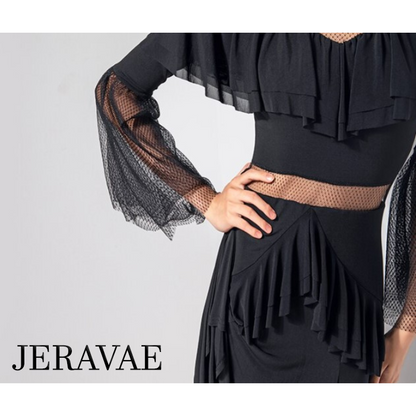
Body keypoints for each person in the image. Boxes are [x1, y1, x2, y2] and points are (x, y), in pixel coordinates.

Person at [94, 33, 416, 383]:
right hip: (255, 297)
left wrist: (406, 329)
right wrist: (205, 199)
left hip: (352, 307)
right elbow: (117, 92)